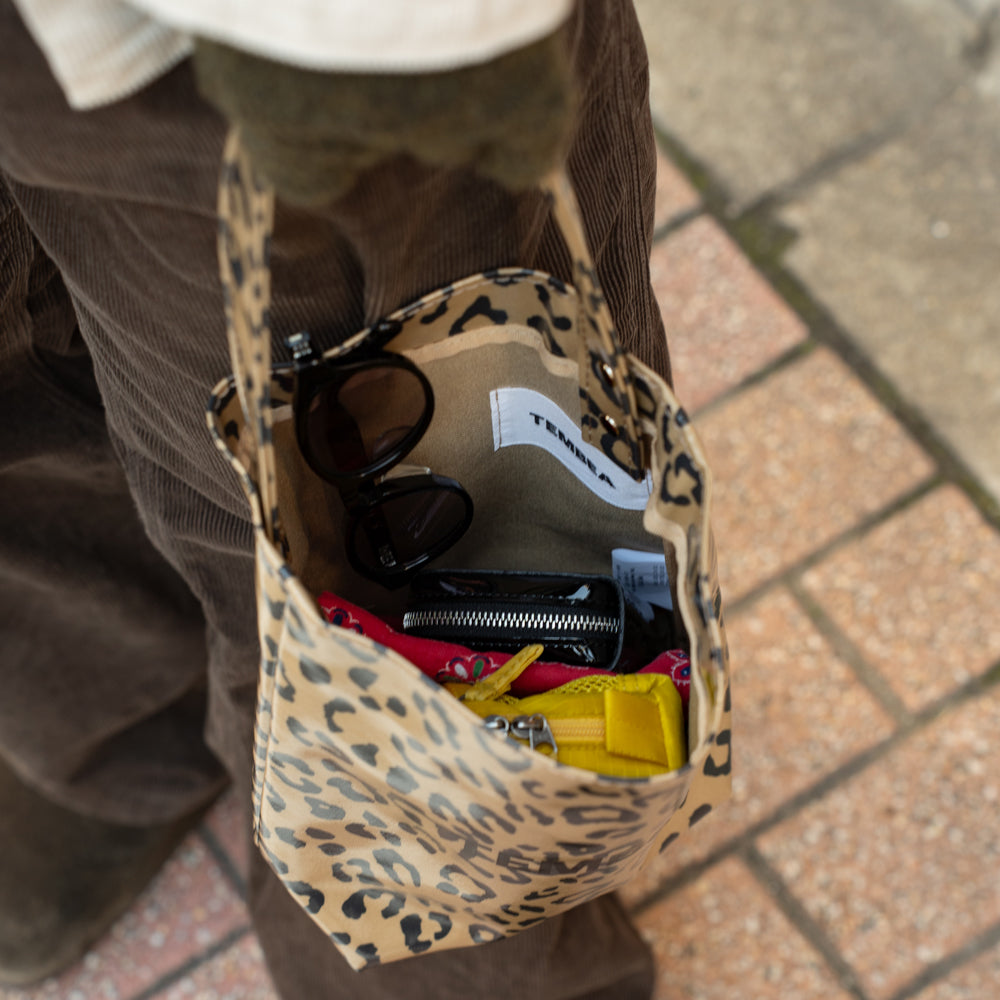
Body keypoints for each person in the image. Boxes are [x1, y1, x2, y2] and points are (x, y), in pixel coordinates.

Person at [0, 1, 672, 996]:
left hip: (291, 49)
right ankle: (114, 714)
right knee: (21, 385)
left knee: (414, 542)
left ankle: (453, 970)